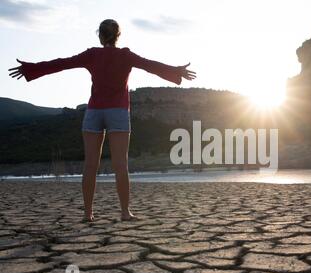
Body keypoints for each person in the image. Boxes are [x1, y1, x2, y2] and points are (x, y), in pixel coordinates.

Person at [8, 19, 196, 222]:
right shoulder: (125, 55)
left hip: (94, 112)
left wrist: (31, 69)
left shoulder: (92, 54)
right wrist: (176, 72)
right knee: (120, 165)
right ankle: (125, 212)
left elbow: (62, 63)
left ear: (100, 35)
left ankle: (88, 214)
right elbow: (150, 66)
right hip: (118, 112)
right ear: (118, 35)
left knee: (90, 165)